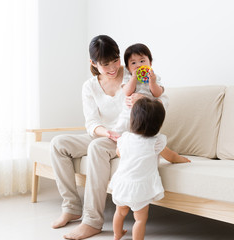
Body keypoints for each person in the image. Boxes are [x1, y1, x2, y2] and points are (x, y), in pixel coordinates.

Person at [50, 35, 185, 240]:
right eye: (105, 64)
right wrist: (106, 133)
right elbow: (91, 122)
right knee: (58, 144)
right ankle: (71, 207)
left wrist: (145, 99)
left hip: (128, 137)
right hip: (105, 135)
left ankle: (92, 221)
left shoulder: (133, 73)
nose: (113, 67)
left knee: (97, 148)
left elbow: (161, 101)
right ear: (93, 63)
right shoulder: (90, 86)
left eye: (115, 60)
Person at [109, 98, 191, 240]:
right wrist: (182, 159)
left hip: (121, 184)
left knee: (120, 212)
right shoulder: (156, 142)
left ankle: (117, 235)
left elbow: (118, 153)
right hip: (140, 188)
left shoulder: (125, 138)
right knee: (139, 219)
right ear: (158, 124)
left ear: (133, 119)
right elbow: (171, 157)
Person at [114, 43, 163, 134]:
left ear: (150, 63)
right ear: (128, 68)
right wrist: (133, 78)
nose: (138, 65)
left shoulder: (154, 77)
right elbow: (127, 92)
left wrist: (152, 82)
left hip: (147, 111)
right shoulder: (128, 78)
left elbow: (157, 94)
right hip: (131, 109)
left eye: (142, 61)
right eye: (133, 63)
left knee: (149, 127)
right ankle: (118, 137)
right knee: (123, 123)